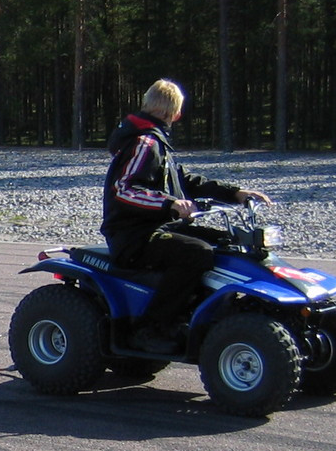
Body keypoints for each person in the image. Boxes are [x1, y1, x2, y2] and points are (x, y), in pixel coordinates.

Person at [102, 79, 271, 353]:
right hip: (133, 235)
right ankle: (152, 326)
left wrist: (236, 193)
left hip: (155, 227)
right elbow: (123, 189)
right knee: (196, 252)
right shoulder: (145, 143)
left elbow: (185, 182)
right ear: (176, 113)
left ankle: (202, 311)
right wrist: (169, 204)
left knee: (227, 242)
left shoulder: (157, 142)